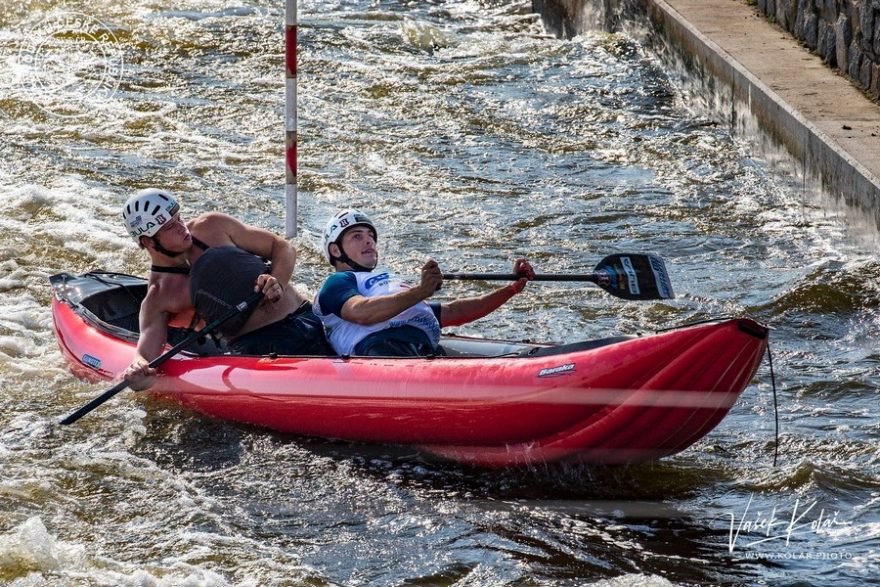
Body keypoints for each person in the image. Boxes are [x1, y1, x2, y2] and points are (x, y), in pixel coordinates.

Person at [121, 188, 332, 390]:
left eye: (179, 218)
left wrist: (278, 280)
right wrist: (137, 367)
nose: (182, 228)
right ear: (149, 241)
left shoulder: (211, 226)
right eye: (169, 227)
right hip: (265, 348)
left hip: (306, 316)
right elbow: (147, 352)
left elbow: (283, 247)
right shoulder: (160, 295)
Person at [313, 209, 535, 357]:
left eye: (370, 235)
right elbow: (360, 312)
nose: (369, 239)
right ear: (336, 250)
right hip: (380, 351)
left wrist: (510, 290)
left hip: (421, 349)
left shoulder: (389, 282)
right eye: (357, 236)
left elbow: (454, 311)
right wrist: (421, 291)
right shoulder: (338, 281)